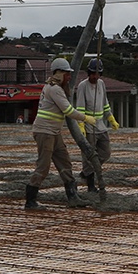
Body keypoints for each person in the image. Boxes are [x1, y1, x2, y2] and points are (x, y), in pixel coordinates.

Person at [25, 57, 95, 209]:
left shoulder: (53, 87)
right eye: (67, 74)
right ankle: (30, 200)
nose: (70, 77)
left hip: (54, 132)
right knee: (43, 166)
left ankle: (73, 196)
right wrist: (86, 118)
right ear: (59, 73)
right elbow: (68, 110)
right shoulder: (55, 89)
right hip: (45, 132)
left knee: (64, 162)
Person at [73, 58, 118, 192]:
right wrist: (81, 125)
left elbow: (105, 103)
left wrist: (110, 117)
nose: (95, 76)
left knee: (105, 153)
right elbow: (80, 107)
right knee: (89, 156)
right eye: (93, 73)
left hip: (101, 126)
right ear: (89, 73)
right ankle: (91, 185)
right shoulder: (83, 86)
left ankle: (86, 173)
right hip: (88, 127)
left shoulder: (102, 84)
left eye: (97, 74)